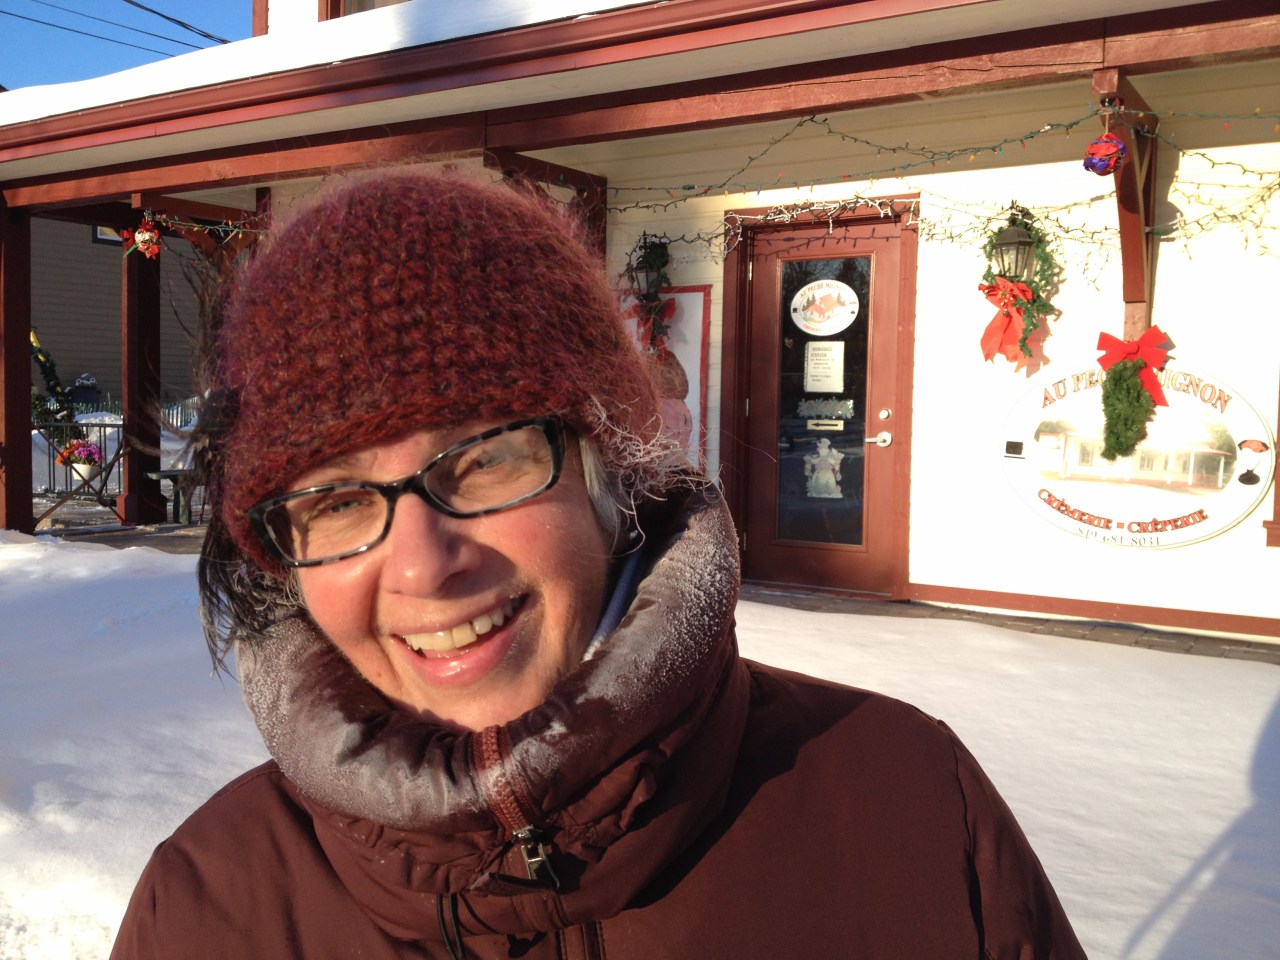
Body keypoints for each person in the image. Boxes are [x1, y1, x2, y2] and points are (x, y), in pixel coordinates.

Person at [110, 167, 1086, 959]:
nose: (421, 567)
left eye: (485, 456)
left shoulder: (908, 806)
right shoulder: (203, 906)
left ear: (609, 473)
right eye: (334, 500)